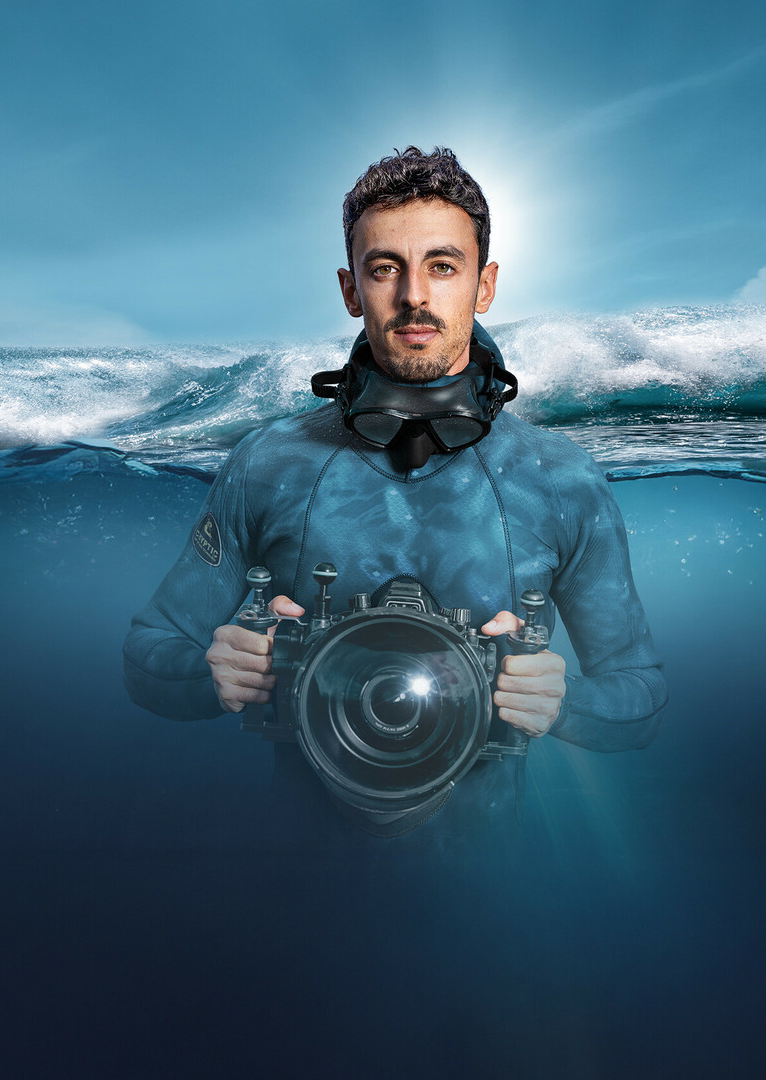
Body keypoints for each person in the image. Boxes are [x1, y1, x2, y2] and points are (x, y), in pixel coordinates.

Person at [123, 147, 664, 837]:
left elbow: (640, 698)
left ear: (484, 284)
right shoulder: (266, 463)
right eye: (385, 269)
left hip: (488, 875)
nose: (414, 295)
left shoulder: (561, 478)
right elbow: (146, 655)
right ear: (351, 290)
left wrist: (561, 701)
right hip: (299, 865)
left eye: (443, 266)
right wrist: (215, 673)